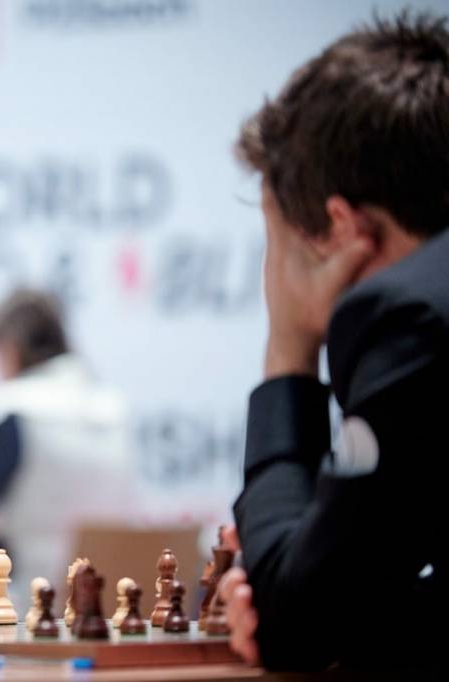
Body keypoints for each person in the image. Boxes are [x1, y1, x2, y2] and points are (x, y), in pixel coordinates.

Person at [221, 12, 448, 671]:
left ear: (342, 228)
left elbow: (301, 619)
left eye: (279, 245)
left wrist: (287, 348)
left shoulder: (409, 316)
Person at [0, 288, 131, 582]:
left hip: (35, 593)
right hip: (113, 590)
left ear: (9, 350)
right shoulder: (112, 410)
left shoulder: (11, 410)